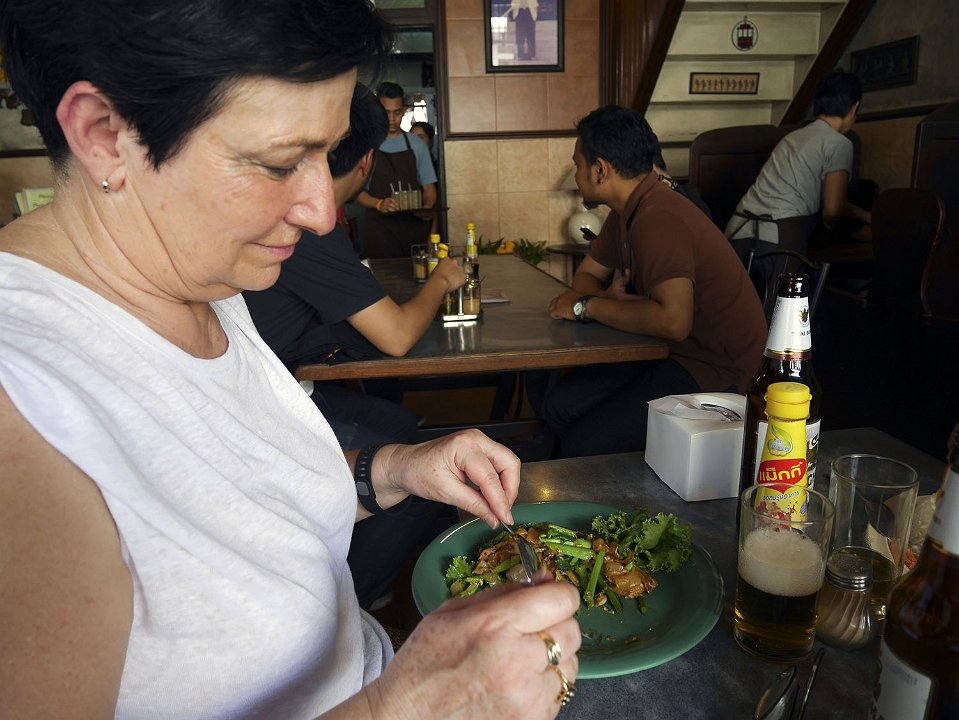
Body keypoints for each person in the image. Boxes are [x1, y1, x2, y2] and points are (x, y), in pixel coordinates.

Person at [0, 2, 581, 719]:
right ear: (103, 134)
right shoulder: (23, 409)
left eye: (326, 156)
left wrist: (392, 470)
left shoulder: (201, 275)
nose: (321, 212)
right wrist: (408, 708)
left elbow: (235, 496)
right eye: (279, 163)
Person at [244, 85, 466, 610]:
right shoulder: (310, 227)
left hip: (280, 383)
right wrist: (441, 280)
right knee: (421, 477)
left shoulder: (298, 218)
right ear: (366, 160)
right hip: (268, 403)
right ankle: (354, 601)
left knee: (400, 424)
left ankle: (356, 566)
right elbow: (397, 337)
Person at [543, 106, 767, 458]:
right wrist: (610, 303)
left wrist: (589, 307)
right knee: (559, 405)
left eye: (578, 165)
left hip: (719, 371)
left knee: (584, 442)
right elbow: (585, 277)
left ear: (600, 170)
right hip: (669, 351)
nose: (576, 175)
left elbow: (673, 322)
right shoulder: (625, 212)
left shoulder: (659, 216)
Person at [725, 69, 872, 260]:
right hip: (781, 242)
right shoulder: (839, 143)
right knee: (794, 282)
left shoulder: (792, 137)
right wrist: (829, 225)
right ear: (854, 107)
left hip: (738, 233)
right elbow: (832, 209)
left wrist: (862, 214)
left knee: (741, 282)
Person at [356, 81, 437, 258]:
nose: (392, 119)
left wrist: (427, 207)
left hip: (413, 231)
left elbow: (429, 189)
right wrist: (379, 203)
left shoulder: (417, 145)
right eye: (386, 113)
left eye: (397, 112)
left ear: (404, 110)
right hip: (379, 232)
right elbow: (357, 193)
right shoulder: (367, 146)